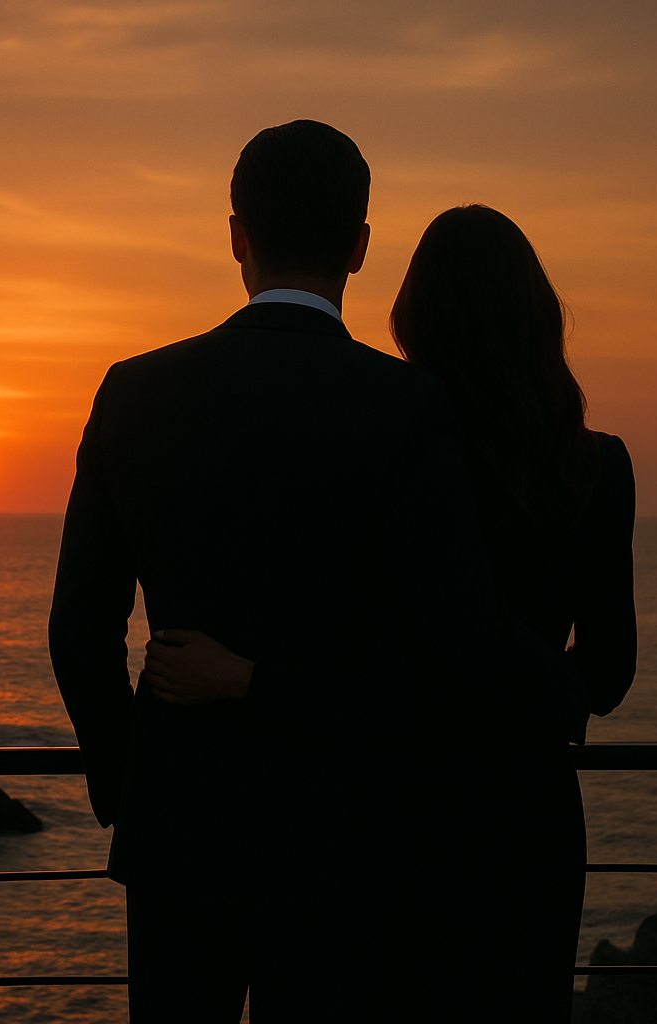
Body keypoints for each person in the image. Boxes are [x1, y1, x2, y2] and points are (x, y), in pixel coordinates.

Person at [49, 122, 586, 1022]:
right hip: (347, 843)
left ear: (236, 235)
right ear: (361, 247)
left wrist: (128, 787)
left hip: (180, 836)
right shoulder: (406, 407)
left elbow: (79, 634)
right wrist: (557, 689)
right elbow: (447, 640)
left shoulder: (132, 391)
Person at [145, 204, 637, 1021]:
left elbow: (372, 667)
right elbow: (609, 676)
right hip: (529, 817)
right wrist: (535, 700)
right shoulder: (598, 467)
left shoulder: (386, 442)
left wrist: (247, 680)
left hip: (390, 814)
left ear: (417, 318)